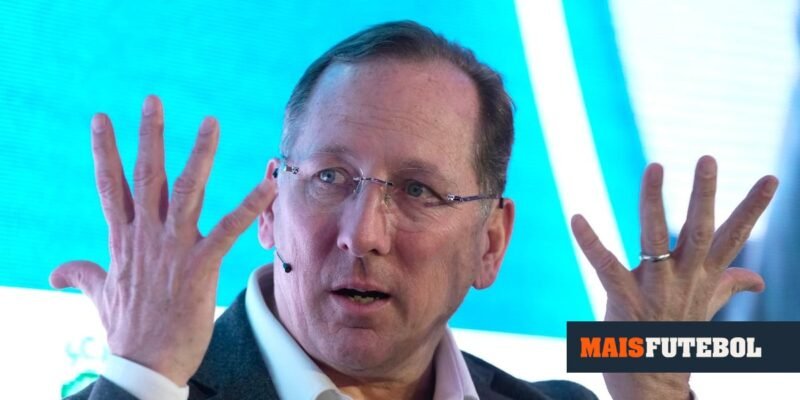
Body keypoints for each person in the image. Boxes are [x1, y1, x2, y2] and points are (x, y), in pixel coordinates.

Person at [51, 21, 778, 400]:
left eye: (418, 191)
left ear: (490, 244)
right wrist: (143, 377)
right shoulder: (143, 392)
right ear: (270, 207)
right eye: (330, 177)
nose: (362, 234)